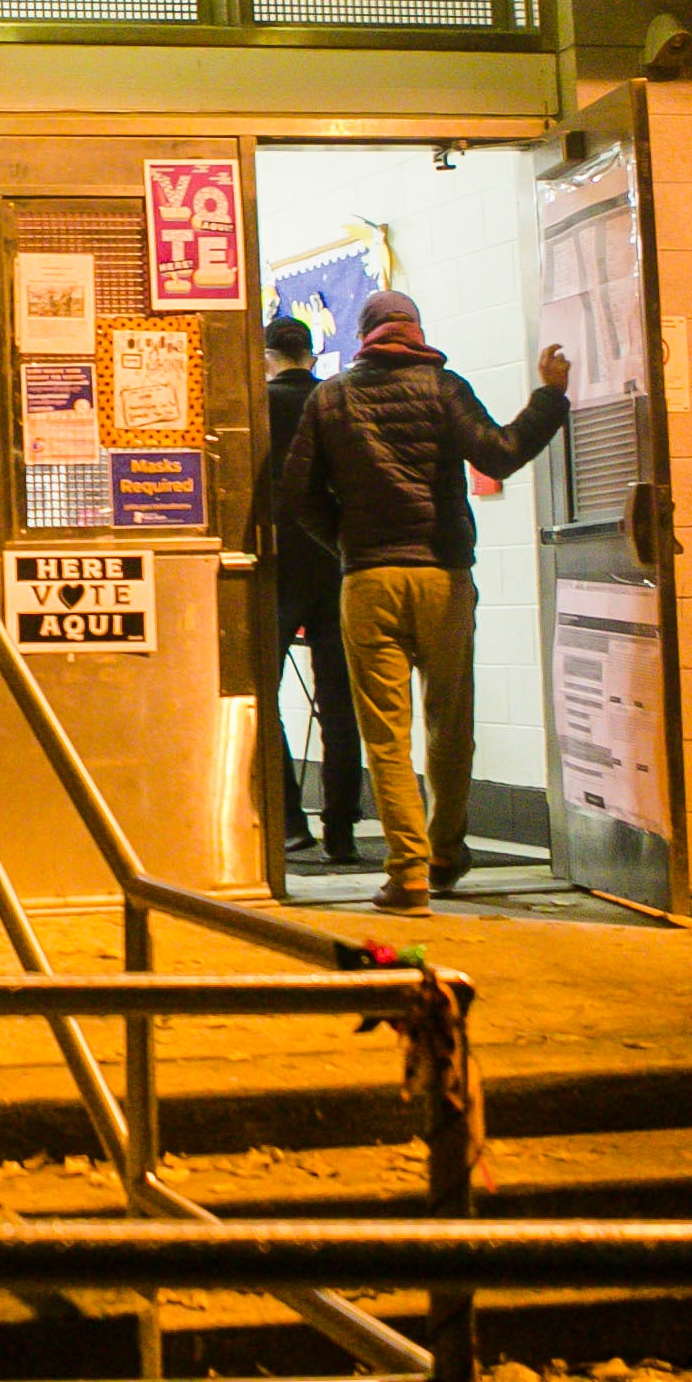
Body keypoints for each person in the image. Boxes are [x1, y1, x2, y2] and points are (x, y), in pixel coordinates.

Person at [276, 290, 571, 914]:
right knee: (449, 724)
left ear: (364, 334)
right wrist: (548, 396)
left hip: (370, 580)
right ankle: (444, 853)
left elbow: (297, 490)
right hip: (442, 574)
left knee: (386, 734)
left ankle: (406, 874)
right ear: (415, 330)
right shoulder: (444, 386)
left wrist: (345, 541)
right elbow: (499, 452)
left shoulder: (332, 396)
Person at [252, 315, 362, 868]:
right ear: (311, 355)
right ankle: (342, 830)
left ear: (266, 355)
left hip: (276, 566)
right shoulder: (337, 400)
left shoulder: (257, 405)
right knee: (340, 701)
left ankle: (290, 823)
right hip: (337, 561)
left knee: (260, 694)